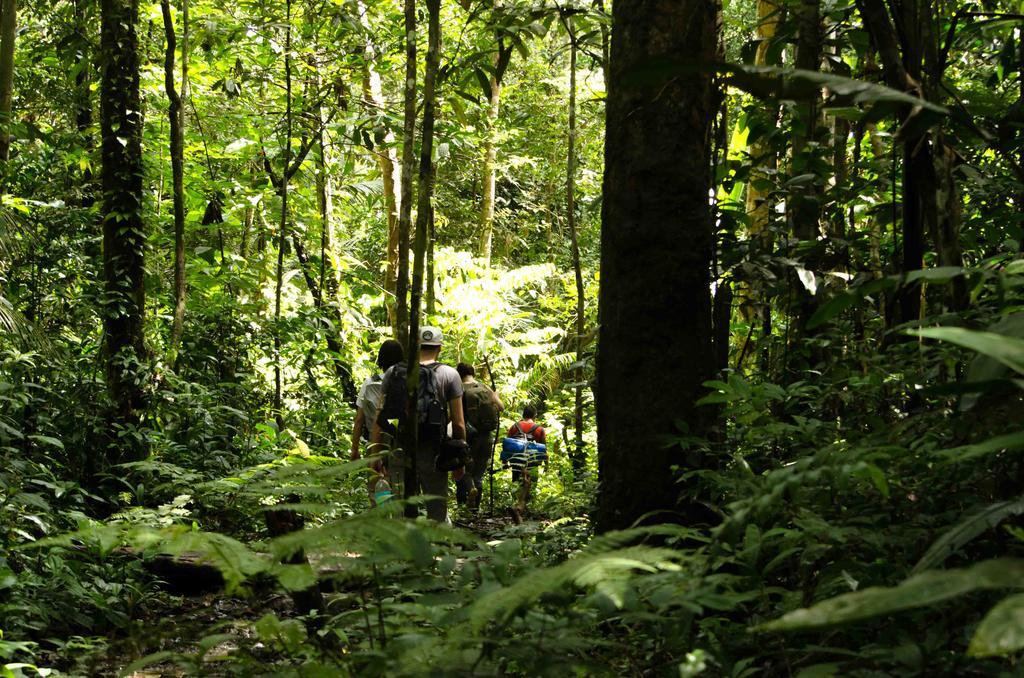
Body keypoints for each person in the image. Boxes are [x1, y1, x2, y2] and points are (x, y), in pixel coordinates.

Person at [370, 326, 466, 523]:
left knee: (400, 508)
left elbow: (380, 418)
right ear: (439, 347)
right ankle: (435, 549)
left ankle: (403, 548)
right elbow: (458, 423)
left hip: (399, 449)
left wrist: (375, 455)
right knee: (436, 508)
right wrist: (460, 458)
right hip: (434, 451)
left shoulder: (393, 372)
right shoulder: (450, 375)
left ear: (415, 346)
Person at [350, 339, 404, 504]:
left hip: (374, 442)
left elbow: (359, 420)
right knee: (398, 483)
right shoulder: (406, 381)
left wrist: (354, 449)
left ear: (381, 359)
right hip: (399, 441)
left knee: (375, 482)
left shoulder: (369, 383)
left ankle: (378, 512)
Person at [455, 362, 503, 511]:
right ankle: (475, 510)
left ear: (459, 374)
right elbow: (501, 407)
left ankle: (465, 503)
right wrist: (495, 396)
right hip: (487, 437)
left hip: (469, 436)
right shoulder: (485, 388)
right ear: (472, 373)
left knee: (464, 472)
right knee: (479, 474)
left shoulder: (459, 389)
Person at [506, 405, 546, 514]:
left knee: (516, 482)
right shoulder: (540, 429)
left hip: (516, 460)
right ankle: (526, 508)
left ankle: (516, 506)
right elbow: (543, 449)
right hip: (532, 461)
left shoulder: (514, 427)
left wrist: (504, 461)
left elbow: (507, 446)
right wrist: (546, 464)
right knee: (531, 484)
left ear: (523, 414)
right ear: (535, 416)